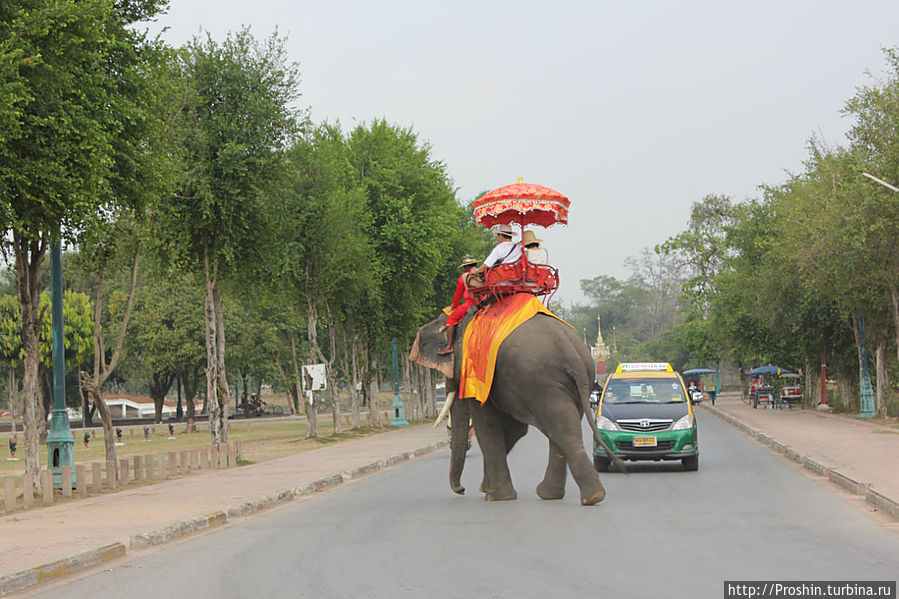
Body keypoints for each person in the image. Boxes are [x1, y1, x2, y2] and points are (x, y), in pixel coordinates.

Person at [438, 254, 480, 355]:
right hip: (486, 302)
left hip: (471, 303)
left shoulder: (464, 277)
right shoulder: (482, 273)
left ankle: (449, 346)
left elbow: (458, 294)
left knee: (451, 319)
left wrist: (454, 305)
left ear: (465, 267)